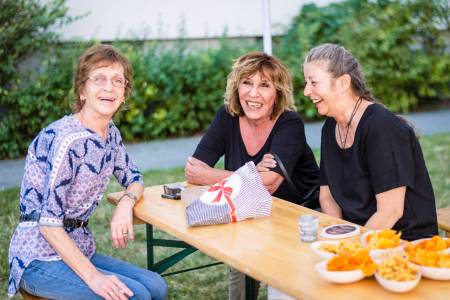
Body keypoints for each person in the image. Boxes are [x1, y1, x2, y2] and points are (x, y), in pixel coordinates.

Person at [8, 44, 168, 300]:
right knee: (136, 296)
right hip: (38, 258)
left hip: (79, 248)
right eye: (99, 79)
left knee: (156, 285)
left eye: (118, 81)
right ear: (83, 90)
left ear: (124, 94)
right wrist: (95, 278)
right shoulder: (68, 140)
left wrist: (125, 204)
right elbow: (48, 225)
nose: (109, 88)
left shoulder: (110, 133)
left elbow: (134, 179)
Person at [185, 51, 319, 300]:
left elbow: (267, 184)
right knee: (240, 280)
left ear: (277, 93)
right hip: (251, 213)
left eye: (264, 85)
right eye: (247, 83)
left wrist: (215, 175)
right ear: (237, 87)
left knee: (284, 288)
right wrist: (249, 175)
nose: (253, 93)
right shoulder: (227, 117)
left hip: (298, 216)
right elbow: (193, 170)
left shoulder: (290, 124)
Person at [301, 43, 438, 241]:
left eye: (313, 82)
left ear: (342, 83)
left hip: (404, 240)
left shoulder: (382, 127)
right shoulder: (330, 127)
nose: (306, 91)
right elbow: (327, 195)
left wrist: (351, 248)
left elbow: (390, 212)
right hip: (360, 236)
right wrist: (338, 236)